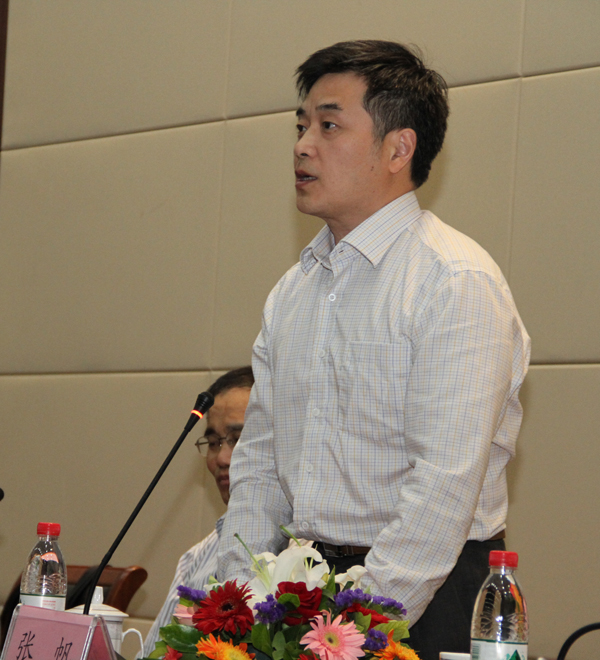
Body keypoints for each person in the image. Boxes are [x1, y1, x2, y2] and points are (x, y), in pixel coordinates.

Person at [218, 40, 530, 660]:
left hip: (428, 597)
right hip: (300, 592)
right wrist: (233, 605)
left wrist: (356, 629)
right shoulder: (293, 290)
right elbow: (258, 468)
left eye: (329, 125)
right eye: (301, 126)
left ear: (398, 148)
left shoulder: (455, 280)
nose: (303, 145)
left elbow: (443, 486)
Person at [141, 366, 254, 657]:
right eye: (214, 443)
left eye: (238, 438)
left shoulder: (314, 552)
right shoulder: (195, 561)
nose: (222, 458)